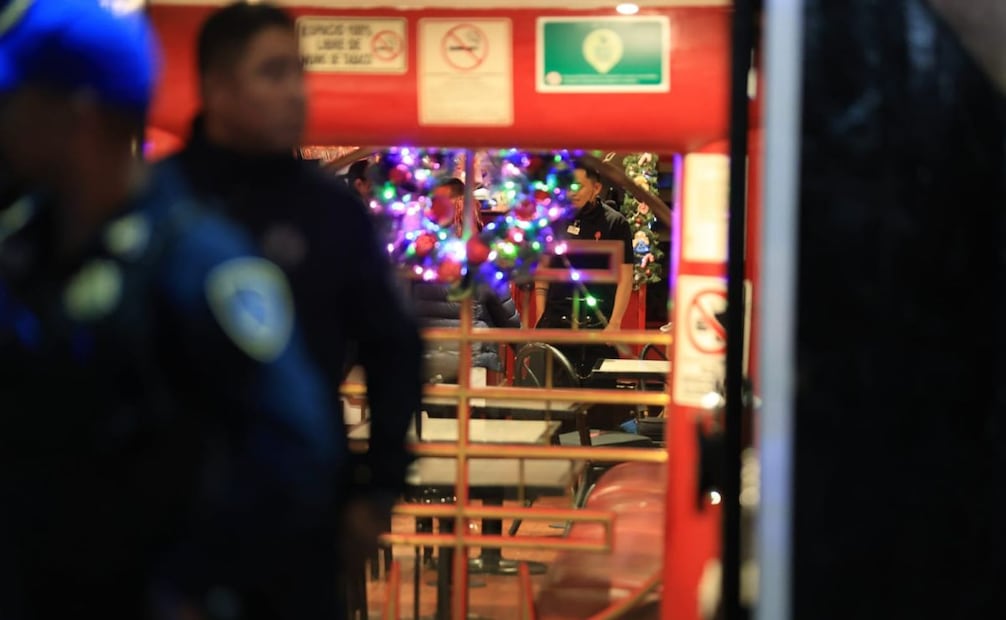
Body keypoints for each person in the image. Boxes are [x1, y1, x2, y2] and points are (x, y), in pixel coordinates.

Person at [0, 2, 342, 619]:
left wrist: (195, 585)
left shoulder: (196, 260)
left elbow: (294, 448)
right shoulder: (23, 248)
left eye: (16, 98)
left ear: (78, 113)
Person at [158, 0, 423, 593]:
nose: (296, 93)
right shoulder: (159, 202)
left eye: (298, 73)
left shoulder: (329, 210)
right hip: (173, 521)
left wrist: (378, 490)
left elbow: (394, 348)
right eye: (273, 73)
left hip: (305, 512)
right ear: (218, 88)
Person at [411, 177, 519, 383]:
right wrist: (524, 347)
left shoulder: (419, 253)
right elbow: (505, 312)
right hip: (472, 359)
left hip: (427, 358)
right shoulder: (481, 256)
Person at [534, 161, 634, 377]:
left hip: (598, 323)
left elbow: (626, 278)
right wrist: (541, 316)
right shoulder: (554, 219)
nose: (572, 192)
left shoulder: (615, 223)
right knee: (554, 387)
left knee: (598, 388)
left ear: (596, 188)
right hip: (556, 322)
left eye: (578, 186)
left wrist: (615, 323)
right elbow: (542, 271)